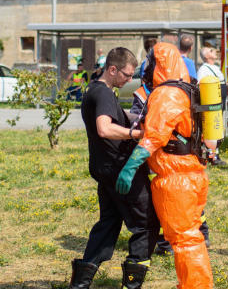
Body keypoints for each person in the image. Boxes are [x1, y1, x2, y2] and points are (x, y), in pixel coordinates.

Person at [117, 42, 213, 289]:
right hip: (191, 173)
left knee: (184, 240)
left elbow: (154, 136)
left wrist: (129, 168)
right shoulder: (187, 89)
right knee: (190, 237)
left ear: (159, 64)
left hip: (176, 178)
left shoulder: (166, 94)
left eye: (150, 63)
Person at [68, 47, 159, 289]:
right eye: (127, 75)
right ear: (112, 69)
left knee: (109, 223)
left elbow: (114, 116)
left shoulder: (97, 91)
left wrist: (135, 117)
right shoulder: (105, 94)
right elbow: (104, 128)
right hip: (120, 170)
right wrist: (136, 133)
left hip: (104, 168)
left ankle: (80, 283)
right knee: (146, 222)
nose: (130, 80)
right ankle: (132, 283)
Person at [197, 46, 228, 167]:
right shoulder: (203, 69)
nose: (214, 51)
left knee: (217, 130)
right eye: (210, 50)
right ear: (206, 56)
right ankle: (212, 157)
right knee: (212, 131)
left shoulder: (214, 68)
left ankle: (214, 156)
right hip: (212, 107)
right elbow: (202, 85)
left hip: (218, 104)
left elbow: (216, 83)